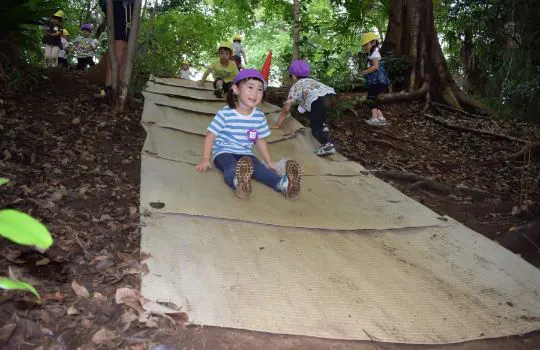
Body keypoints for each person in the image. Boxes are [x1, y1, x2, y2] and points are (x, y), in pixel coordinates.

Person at [196, 69, 302, 200]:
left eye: (259, 89)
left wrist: (268, 161)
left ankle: (283, 184)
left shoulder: (259, 116)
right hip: (223, 152)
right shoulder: (226, 113)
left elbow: (259, 140)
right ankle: (238, 182)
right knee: (231, 166)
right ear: (236, 89)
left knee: (259, 168)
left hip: (246, 155)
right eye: (250, 87)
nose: (255, 93)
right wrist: (206, 158)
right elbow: (210, 135)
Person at [273, 59, 337, 156]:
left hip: (316, 103)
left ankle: (328, 145)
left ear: (293, 76)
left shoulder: (296, 86)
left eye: (290, 77)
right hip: (328, 98)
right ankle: (323, 125)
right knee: (308, 110)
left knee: (315, 129)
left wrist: (278, 124)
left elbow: (286, 109)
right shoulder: (311, 81)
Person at [99, 0, 135, 99]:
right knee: (120, 45)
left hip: (117, 5)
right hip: (121, 5)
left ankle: (109, 87)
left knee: (115, 45)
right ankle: (111, 87)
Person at [360, 32, 390, 126]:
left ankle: (374, 118)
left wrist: (364, 72)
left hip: (377, 81)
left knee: (370, 98)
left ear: (373, 43)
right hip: (377, 81)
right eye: (364, 45)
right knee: (374, 98)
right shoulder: (372, 54)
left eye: (367, 44)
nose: (365, 47)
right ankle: (381, 118)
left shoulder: (375, 54)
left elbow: (376, 67)